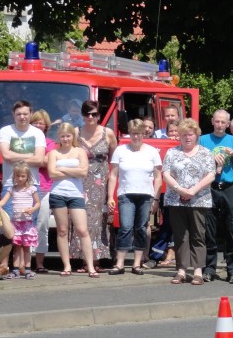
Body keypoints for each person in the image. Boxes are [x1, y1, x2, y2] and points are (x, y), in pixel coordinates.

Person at [163, 119, 216, 285]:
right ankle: (181, 271)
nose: (187, 137)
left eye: (190, 134)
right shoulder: (172, 152)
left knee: (198, 235)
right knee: (180, 236)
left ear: (196, 135)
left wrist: (193, 190)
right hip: (176, 199)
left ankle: (198, 271)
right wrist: (180, 189)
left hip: (199, 199)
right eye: (184, 134)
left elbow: (211, 175)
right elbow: (166, 173)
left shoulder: (206, 153)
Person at [107, 119, 163, 275]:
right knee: (125, 227)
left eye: (138, 134)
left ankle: (137, 263)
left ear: (143, 134)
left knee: (141, 227)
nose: (136, 137)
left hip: (146, 195)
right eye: (133, 134)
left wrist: (156, 199)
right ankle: (119, 263)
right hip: (126, 193)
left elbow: (158, 177)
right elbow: (113, 175)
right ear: (129, 134)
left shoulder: (152, 151)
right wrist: (110, 196)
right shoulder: (120, 150)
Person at [199, 109, 233, 283]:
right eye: (217, 121)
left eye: (223, 122)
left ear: (228, 124)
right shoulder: (203, 140)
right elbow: (197, 167)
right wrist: (211, 159)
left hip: (229, 187)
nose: (220, 125)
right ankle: (209, 268)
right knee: (209, 229)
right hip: (210, 187)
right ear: (212, 121)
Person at [47, 123, 98, 277]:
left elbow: (83, 172)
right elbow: (51, 174)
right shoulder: (54, 153)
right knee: (62, 231)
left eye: (68, 136)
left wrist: (62, 169)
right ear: (59, 137)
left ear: (73, 136)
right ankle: (67, 266)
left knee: (82, 230)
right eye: (62, 136)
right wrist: (73, 172)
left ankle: (90, 266)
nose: (66, 139)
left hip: (75, 194)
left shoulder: (80, 151)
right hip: (58, 194)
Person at [71, 100, 116, 268]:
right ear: (82, 115)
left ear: (99, 116)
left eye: (94, 114)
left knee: (99, 219)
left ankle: (97, 259)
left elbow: (114, 160)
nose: (90, 117)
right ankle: (83, 258)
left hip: (101, 182)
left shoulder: (108, 133)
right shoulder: (75, 133)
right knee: (80, 219)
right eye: (87, 113)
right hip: (79, 181)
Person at [0, 100, 46, 219]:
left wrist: (15, 157)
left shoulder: (38, 133)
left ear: (31, 114)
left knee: (31, 222)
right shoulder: (5, 131)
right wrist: (30, 155)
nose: (22, 117)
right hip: (10, 184)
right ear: (13, 114)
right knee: (8, 221)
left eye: (25, 114)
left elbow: (39, 159)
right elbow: (6, 156)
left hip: (32, 184)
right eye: (18, 114)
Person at [0, 162, 40, 279]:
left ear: (28, 176)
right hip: (16, 223)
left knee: (27, 247)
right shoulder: (12, 189)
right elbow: (3, 202)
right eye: (18, 176)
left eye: (23, 176)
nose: (20, 178)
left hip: (27, 223)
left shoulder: (32, 189)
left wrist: (32, 209)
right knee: (16, 247)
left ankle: (27, 269)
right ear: (14, 176)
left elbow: (38, 203)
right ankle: (16, 269)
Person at [30, 109, 59, 273]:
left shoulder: (50, 143)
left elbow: (49, 162)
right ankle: (24, 263)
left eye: (41, 123)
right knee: (23, 224)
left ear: (46, 126)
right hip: (25, 187)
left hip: (44, 187)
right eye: (35, 122)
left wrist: (31, 158)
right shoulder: (25, 140)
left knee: (42, 224)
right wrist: (39, 159)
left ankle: (40, 262)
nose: (38, 125)